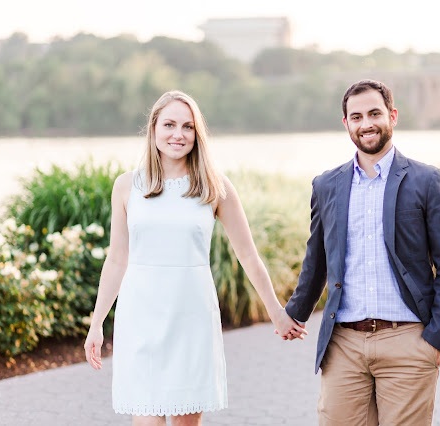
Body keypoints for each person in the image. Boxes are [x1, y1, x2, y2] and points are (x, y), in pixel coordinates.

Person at [84, 90, 306, 426]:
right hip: (140, 316)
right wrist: (97, 323)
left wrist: (276, 312)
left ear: (197, 134)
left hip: (191, 316)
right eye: (169, 124)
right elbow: (117, 259)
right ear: (154, 128)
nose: (178, 134)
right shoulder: (127, 185)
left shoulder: (215, 186)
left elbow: (247, 254)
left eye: (187, 127)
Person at [282, 79, 440, 425]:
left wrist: (437, 341)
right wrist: (295, 313)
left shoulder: (427, 181)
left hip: (409, 341)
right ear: (346, 124)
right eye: (356, 117)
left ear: (392, 116)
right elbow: (317, 259)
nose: (365, 123)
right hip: (344, 345)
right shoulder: (326, 185)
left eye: (374, 113)